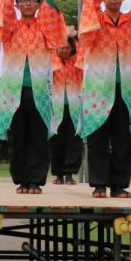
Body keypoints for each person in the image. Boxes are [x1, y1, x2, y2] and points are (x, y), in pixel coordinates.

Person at [0, 0, 67, 195]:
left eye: (32, 0)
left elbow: (52, 0)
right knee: (19, 136)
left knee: (38, 137)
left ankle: (36, 180)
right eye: (23, 0)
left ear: (37, 3)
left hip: (40, 89)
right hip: (14, 89)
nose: (27, 3)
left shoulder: (45, 24)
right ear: (18, 5)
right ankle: (21, 179)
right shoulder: (11, 27)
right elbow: (2, 5)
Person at [78, 0, 131, 198]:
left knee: (123, 139)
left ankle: (119, 185)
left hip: (126, 87)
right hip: (98, 87)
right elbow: (89, 1)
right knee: (98, 136)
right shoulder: (96, 19)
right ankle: (99, 184)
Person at [50, 28, 84, 185]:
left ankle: (70, 173)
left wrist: (75, 38)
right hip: (55, 107)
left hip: (75, 106)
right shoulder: (52, 61)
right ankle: (58, 174)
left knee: (74, 140)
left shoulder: (77, 61)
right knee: (56, 141)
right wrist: (63, 33)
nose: (64, 50)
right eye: (61, 47)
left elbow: (82, 50)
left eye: (67, 47)